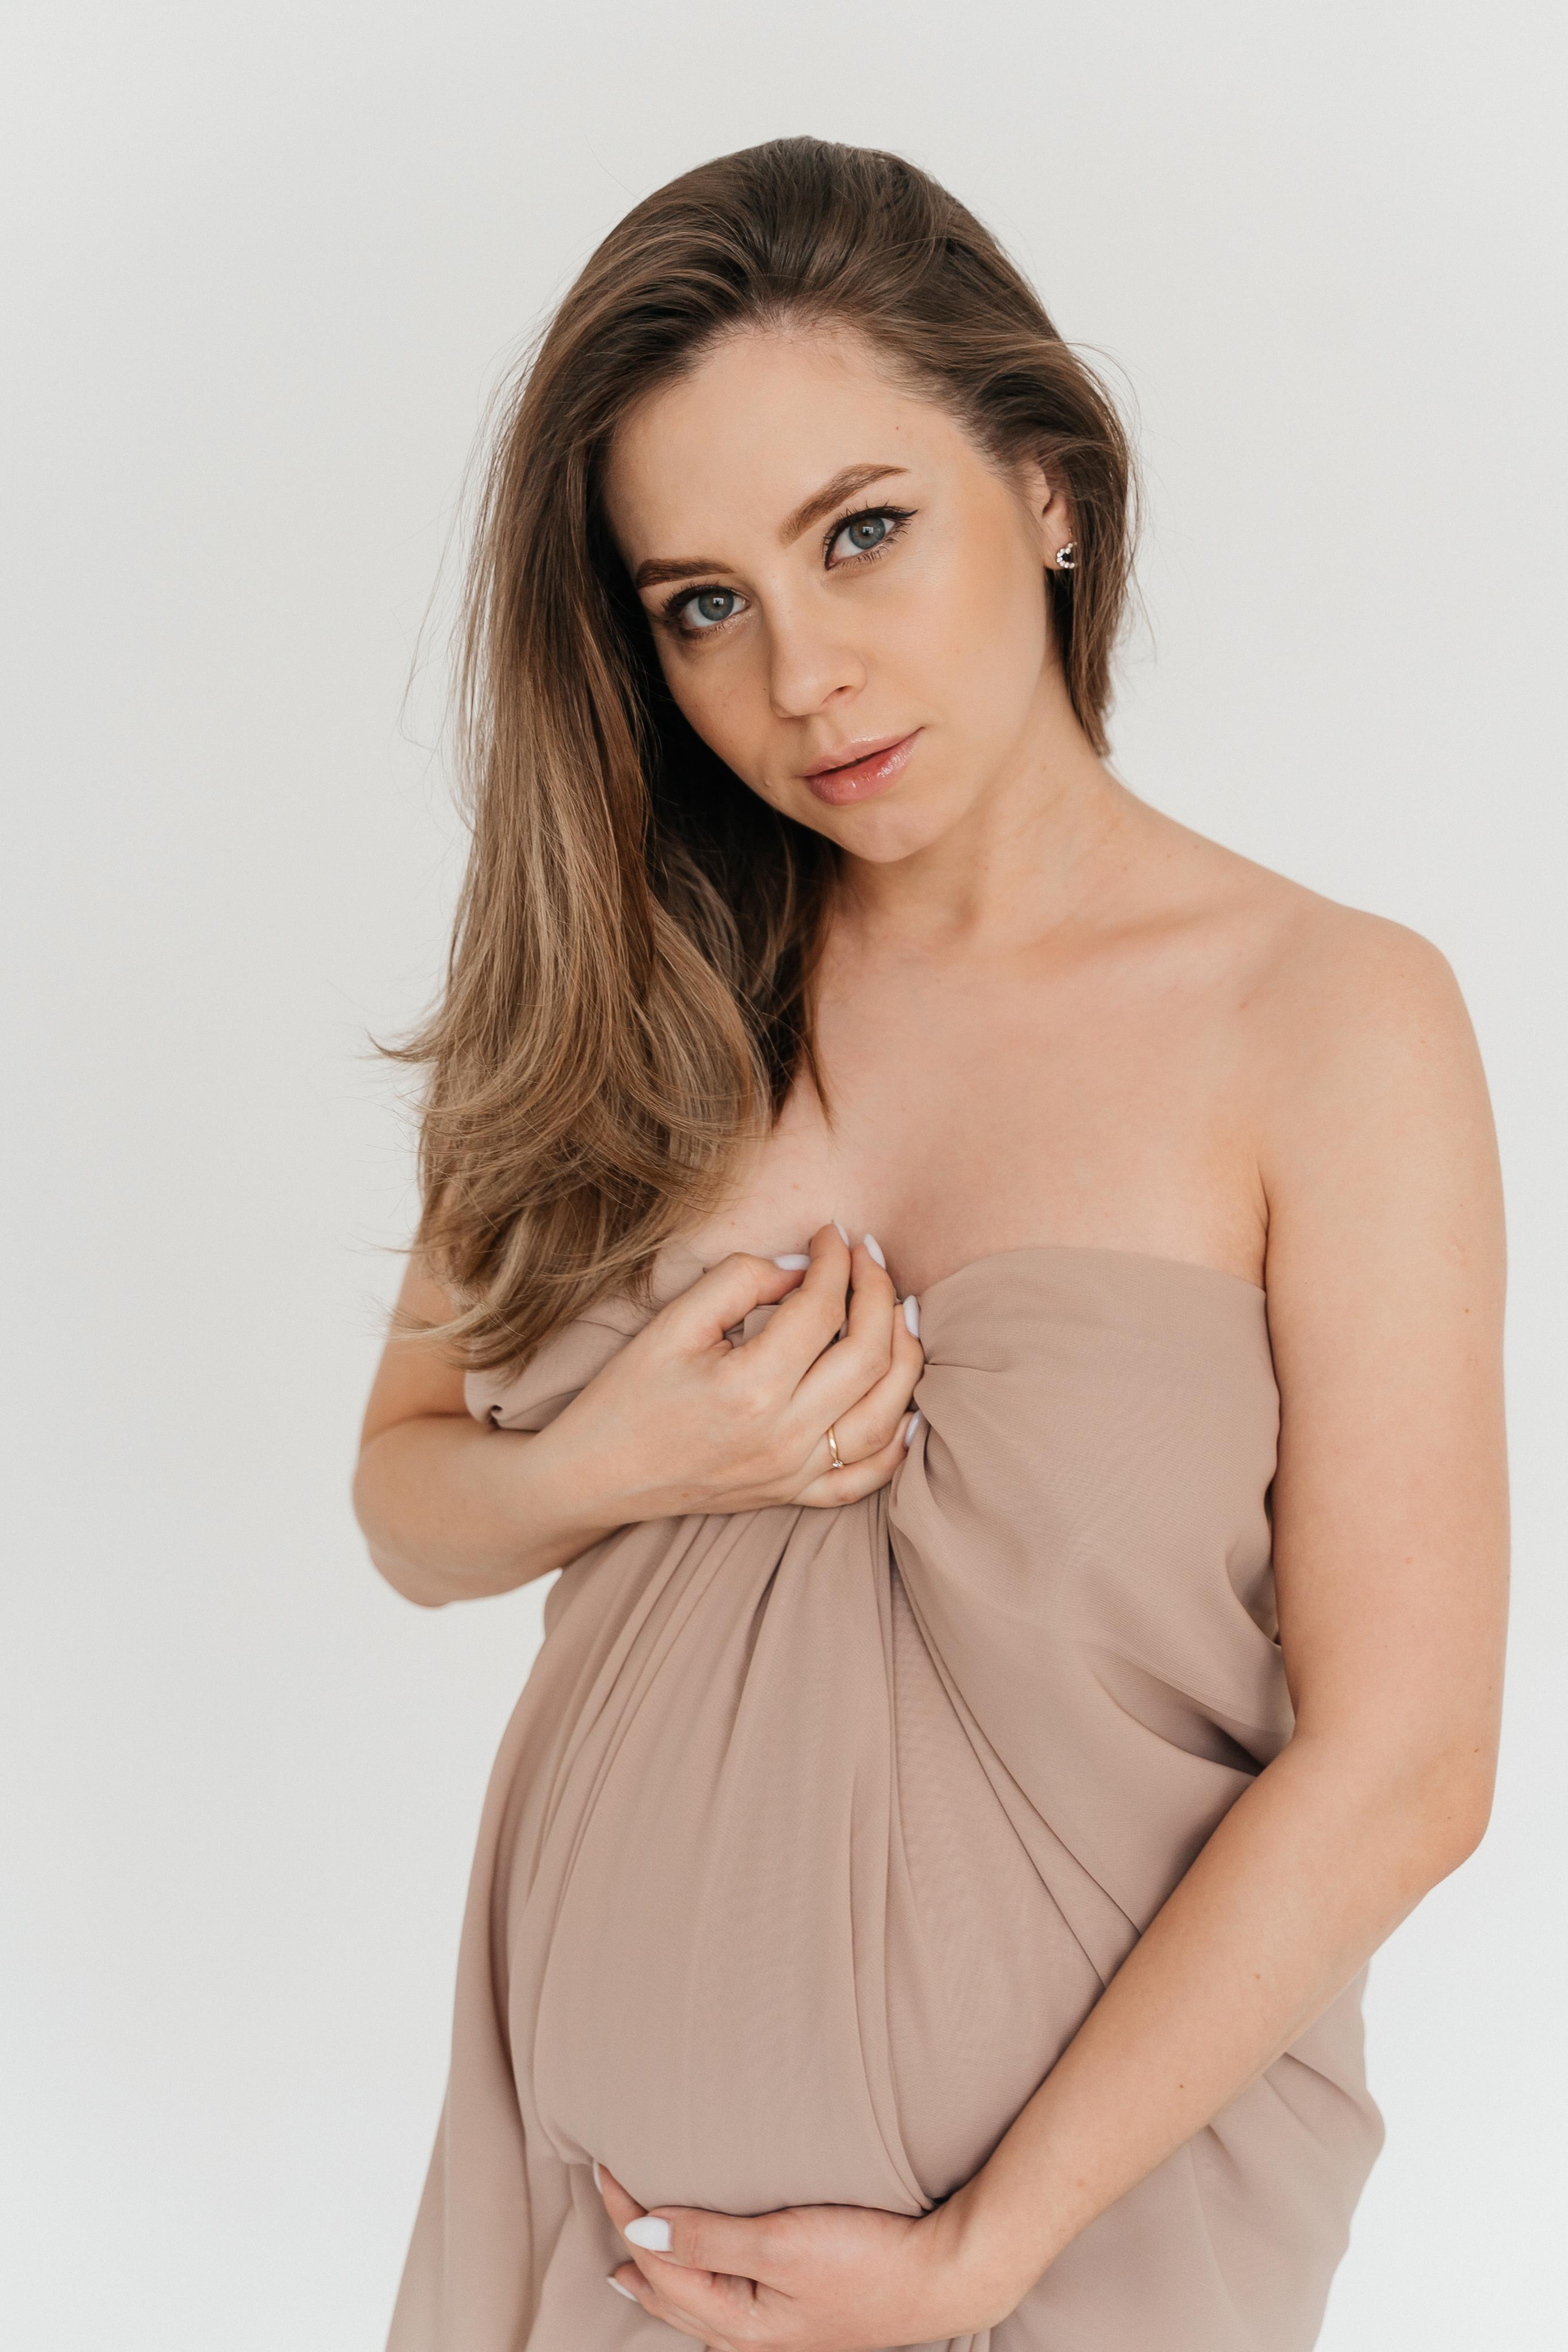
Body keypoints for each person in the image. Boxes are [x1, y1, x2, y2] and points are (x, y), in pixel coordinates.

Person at [352, 136, 1508, 2352]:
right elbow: (407, 1504)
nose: (802, 676)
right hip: (596, 2249)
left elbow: (1408, 1765)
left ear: (1048, 484)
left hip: (1102, 2251)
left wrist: (985, 2249)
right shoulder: (616, 994)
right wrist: (614, 1461)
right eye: (703, 604)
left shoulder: (1328, 1019)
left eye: (861, 531)